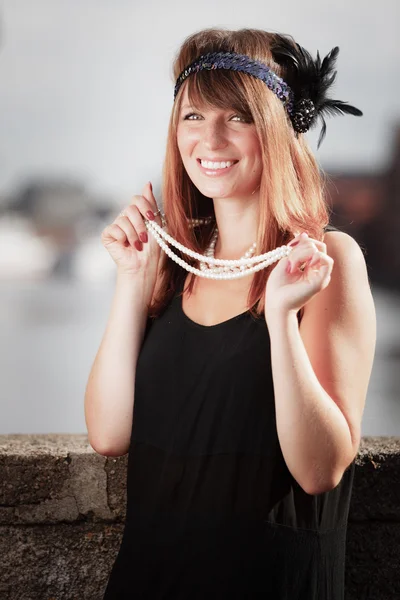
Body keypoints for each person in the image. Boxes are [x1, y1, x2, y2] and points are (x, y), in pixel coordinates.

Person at [85, 27, 377, 599]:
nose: (210, 138)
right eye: (193, 116)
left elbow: (321, 469)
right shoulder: (174, 265)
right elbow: (108, 432)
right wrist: (130, 281)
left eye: (237, 117)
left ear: (277, 130)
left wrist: (280, 321)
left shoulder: (327, 261)